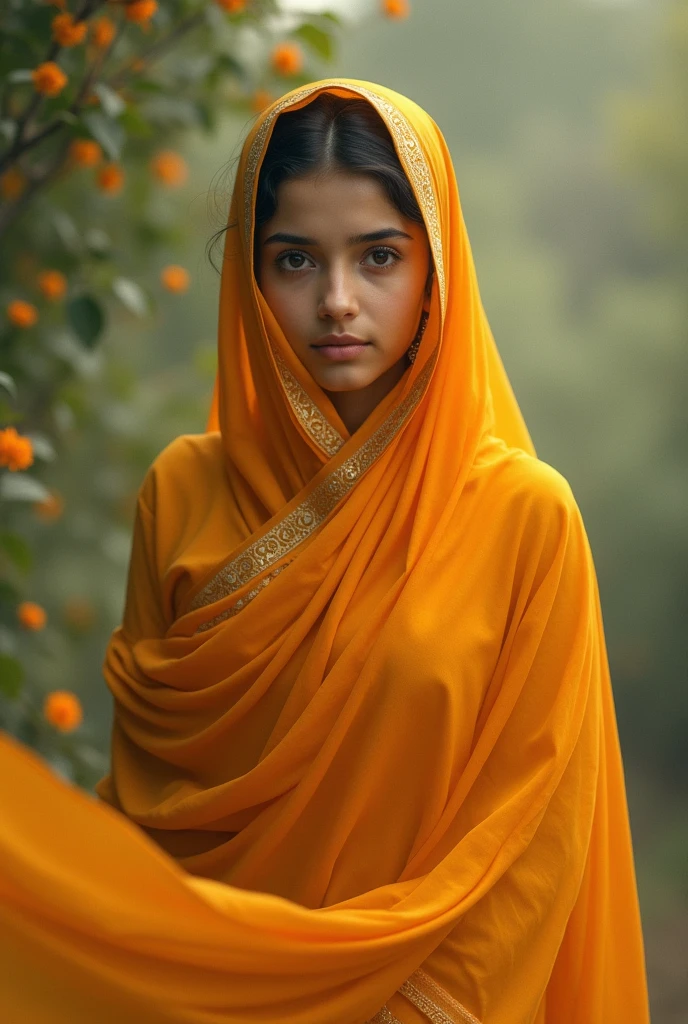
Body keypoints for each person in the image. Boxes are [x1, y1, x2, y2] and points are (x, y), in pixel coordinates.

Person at [0, 79, 649, 1024]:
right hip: (197, 998)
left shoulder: (524, 518)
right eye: (296, 259)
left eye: (379, 257)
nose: (337, 301)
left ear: (438, 268)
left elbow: (534, 836)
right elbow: (154, 814)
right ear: (249, 276)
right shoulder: (180, 494)